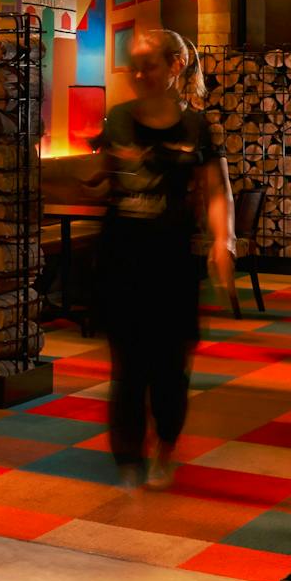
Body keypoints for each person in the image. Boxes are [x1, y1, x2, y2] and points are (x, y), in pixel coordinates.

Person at [95, 28, 235, 492]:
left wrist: (222, 242)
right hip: (122, 257)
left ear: (175, 66)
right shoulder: (117, 119)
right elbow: (103, 175)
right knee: (127, 365)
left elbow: (217, 190)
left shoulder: (196, 127)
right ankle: (128, 458)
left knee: (170, 365)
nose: (139, 75)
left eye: (149, 65)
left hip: (173, 260)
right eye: (133, 67)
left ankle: (165, 446)